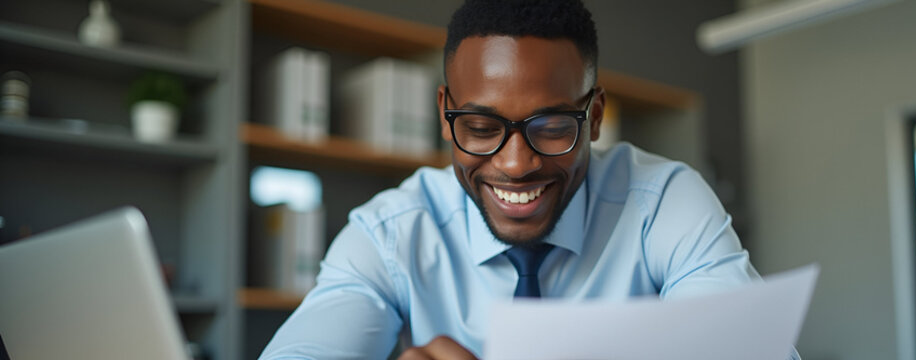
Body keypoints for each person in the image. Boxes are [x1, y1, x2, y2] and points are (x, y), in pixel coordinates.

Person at [261, 0, 798, 359]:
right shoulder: (388, 235)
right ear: (445, 114)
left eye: (553, 127)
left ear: (595, 117)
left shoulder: (663, 204)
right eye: (480, 128)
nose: (516, 164)